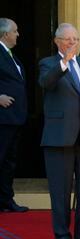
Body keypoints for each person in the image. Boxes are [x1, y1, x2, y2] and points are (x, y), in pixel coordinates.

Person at [39, 23, 80, 239]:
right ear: (57, 41)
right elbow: (46, 83)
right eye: (68, 39)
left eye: (75, 38)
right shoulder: (48, 63)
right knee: (61, 193)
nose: (73, 43)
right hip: (58, 138)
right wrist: (64, 62)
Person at [0, 18, 28, 213]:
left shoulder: (10, 55)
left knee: (9, 162)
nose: (18, 34)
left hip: (14, 118)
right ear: (5, 34)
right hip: (2, 117)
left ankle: (6, 200)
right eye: (15, 31)